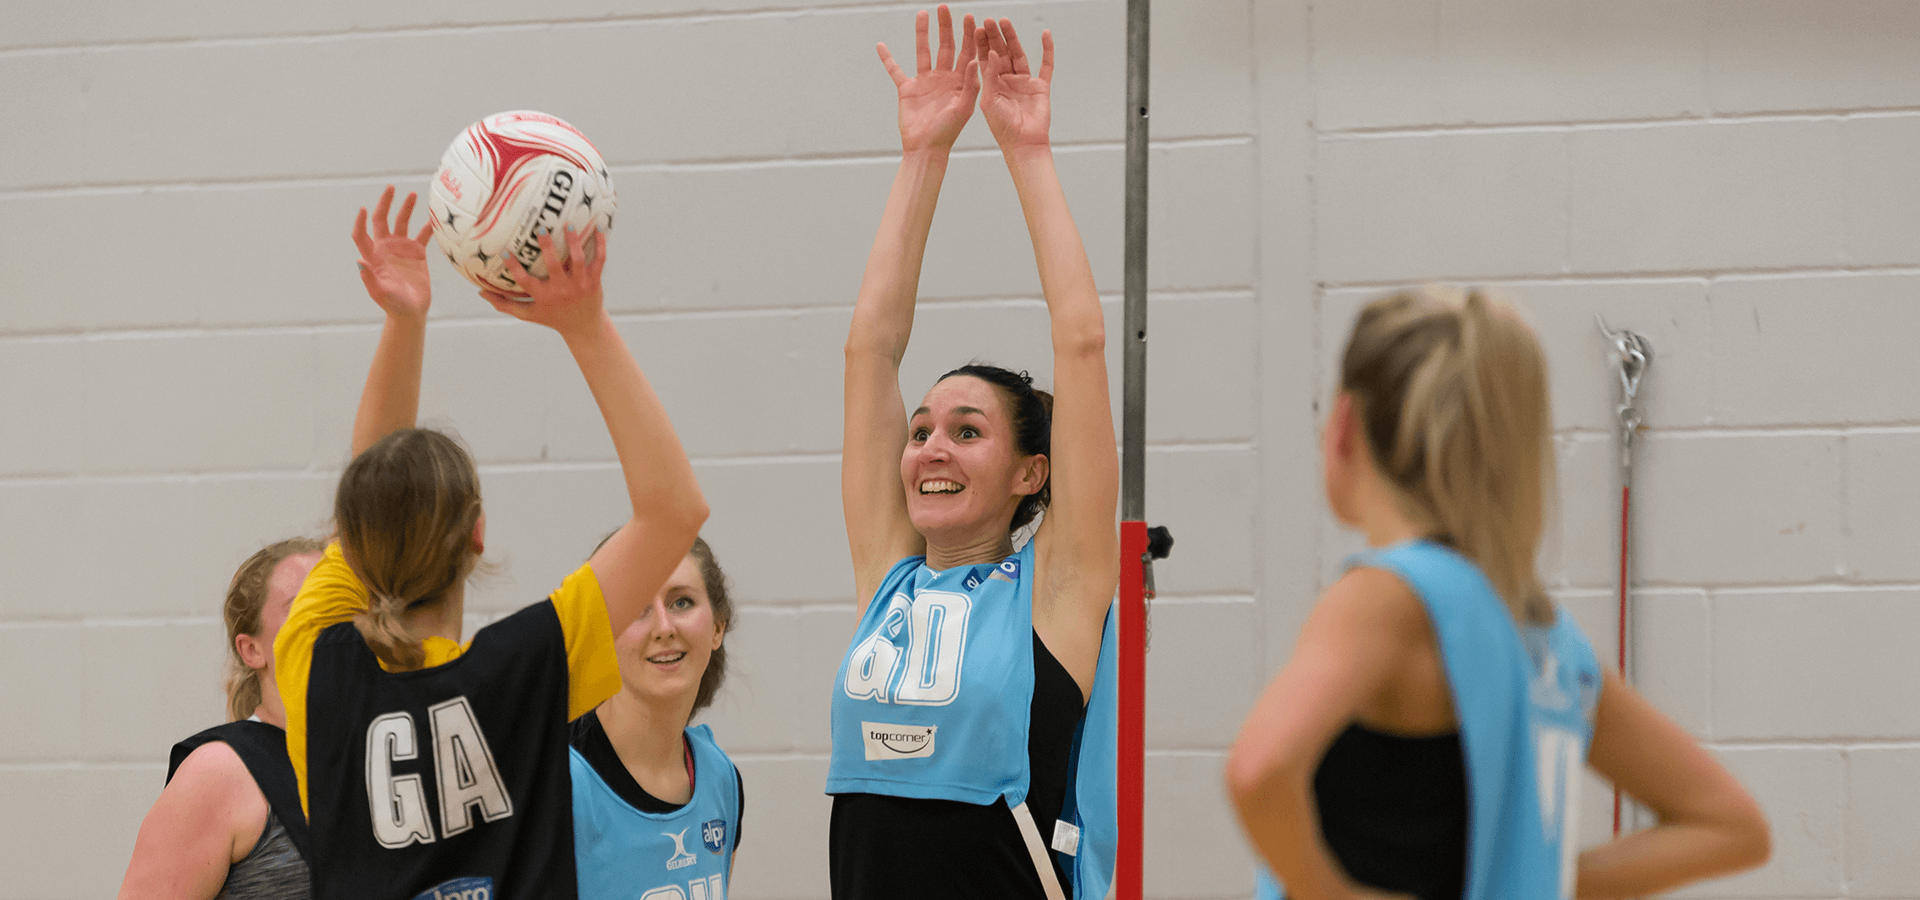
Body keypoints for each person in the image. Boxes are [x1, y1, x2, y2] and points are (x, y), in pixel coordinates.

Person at [1224, 287, 1771, 900]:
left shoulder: (1386, 598)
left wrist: (1327, 893)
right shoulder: (1549, 638)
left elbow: (1259, 770)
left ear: (1343, 427)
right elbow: (1732, 825)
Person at [273, 186, 707, 899]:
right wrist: (585, 326)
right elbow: (675, 510)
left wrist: (404, 322)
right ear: (478, 533)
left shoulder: (315, 662)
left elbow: (375, 490)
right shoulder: (532, 663)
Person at [830, 8, 1119, 900]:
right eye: (920, 431)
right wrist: (924, 155)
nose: (928, 449)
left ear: (1032, 473)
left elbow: (1079, 344)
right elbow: (869, 351)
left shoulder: (1055, 595)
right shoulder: (891, 578)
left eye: (966, 430)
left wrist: (1027, 154)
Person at [117, 537, 326, 900]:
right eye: (303, 608)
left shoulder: (382, 759)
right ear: (252, 650)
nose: (328, 621)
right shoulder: (218, 774)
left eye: (337, 603)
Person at [569, 535, 742, 899]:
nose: (664, 627)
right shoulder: (561, 782)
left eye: (682, 602)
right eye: (636, 607)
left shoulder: (721, 777)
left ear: (717, 627)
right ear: (603, 634)